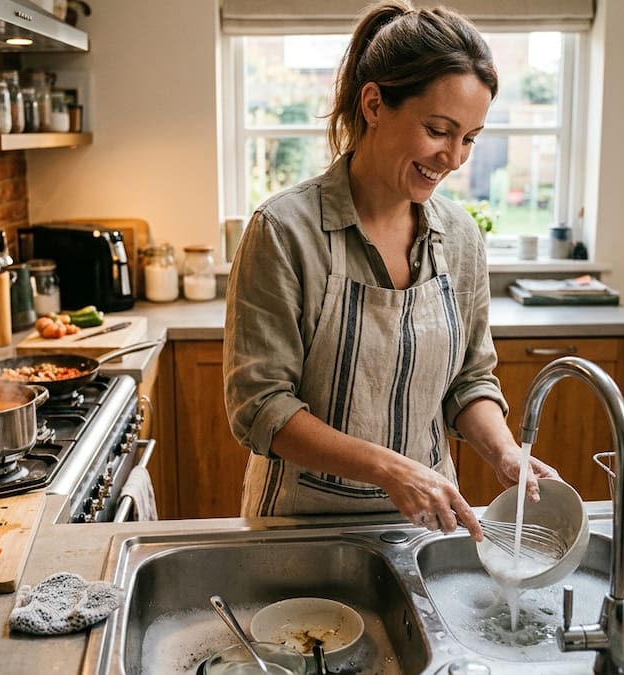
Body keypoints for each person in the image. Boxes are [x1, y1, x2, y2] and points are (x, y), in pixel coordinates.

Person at [223, 0, 559, 538]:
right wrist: (391, 470)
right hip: (300, 527)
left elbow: (469, 380)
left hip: (428, 522)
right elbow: (261, 407)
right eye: (438, 130)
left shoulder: (461, 238)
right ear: (375, 104)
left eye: (469, 138)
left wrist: (505, 453)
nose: (453, 157)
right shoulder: (284, 232)